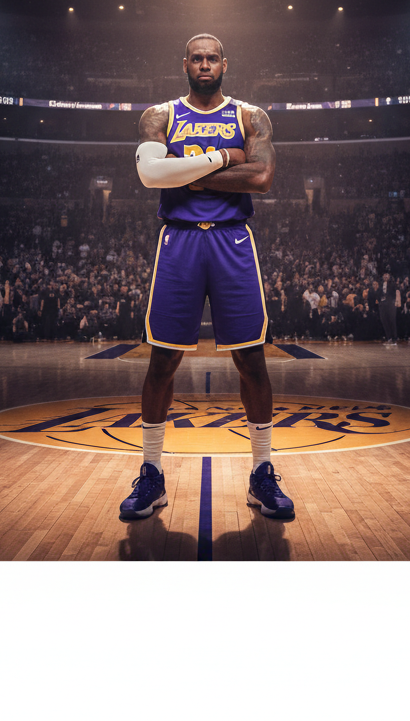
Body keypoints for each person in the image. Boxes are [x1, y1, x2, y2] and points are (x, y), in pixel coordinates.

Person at [119, 34, 294, 522]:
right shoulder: (160, 115)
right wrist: (222, 160)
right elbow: (152, 176)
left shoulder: (250, 116)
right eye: (196, 58)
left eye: (211, 58)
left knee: (251, 358)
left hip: (232, 239)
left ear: (224, 64)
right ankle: (151, 473)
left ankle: (263, 473)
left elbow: (261, 177)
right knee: (162, 360)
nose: (203, 65)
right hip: (179, 240)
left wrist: (187, 173)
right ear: (184, 64)